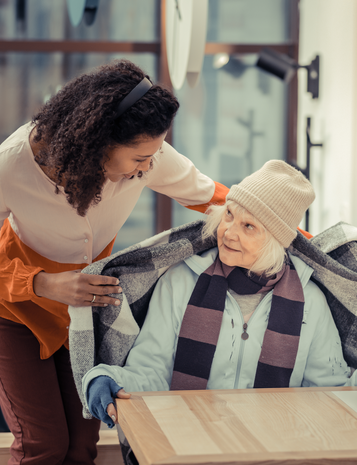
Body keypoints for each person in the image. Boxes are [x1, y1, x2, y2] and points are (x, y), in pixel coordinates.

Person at [0, 59, 230, 465]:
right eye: (140, 158)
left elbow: (213, 196)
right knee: (45, 446)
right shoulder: (12, 165)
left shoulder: (148, 155)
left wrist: (286, 228)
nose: (149, 166)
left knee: (81, 448)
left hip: (84, 317)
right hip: (15, 312)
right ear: (97, 142)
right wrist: (44, 284)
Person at [82, 160, 357, 431]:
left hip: (275, 445)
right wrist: (105, 376)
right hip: (188, 438)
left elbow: (326, 388)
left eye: (249, 226)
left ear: (275, 241)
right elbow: (150, 371)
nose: (229, 232)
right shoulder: (180, 282)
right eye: (229, 215)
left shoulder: (310, 299)